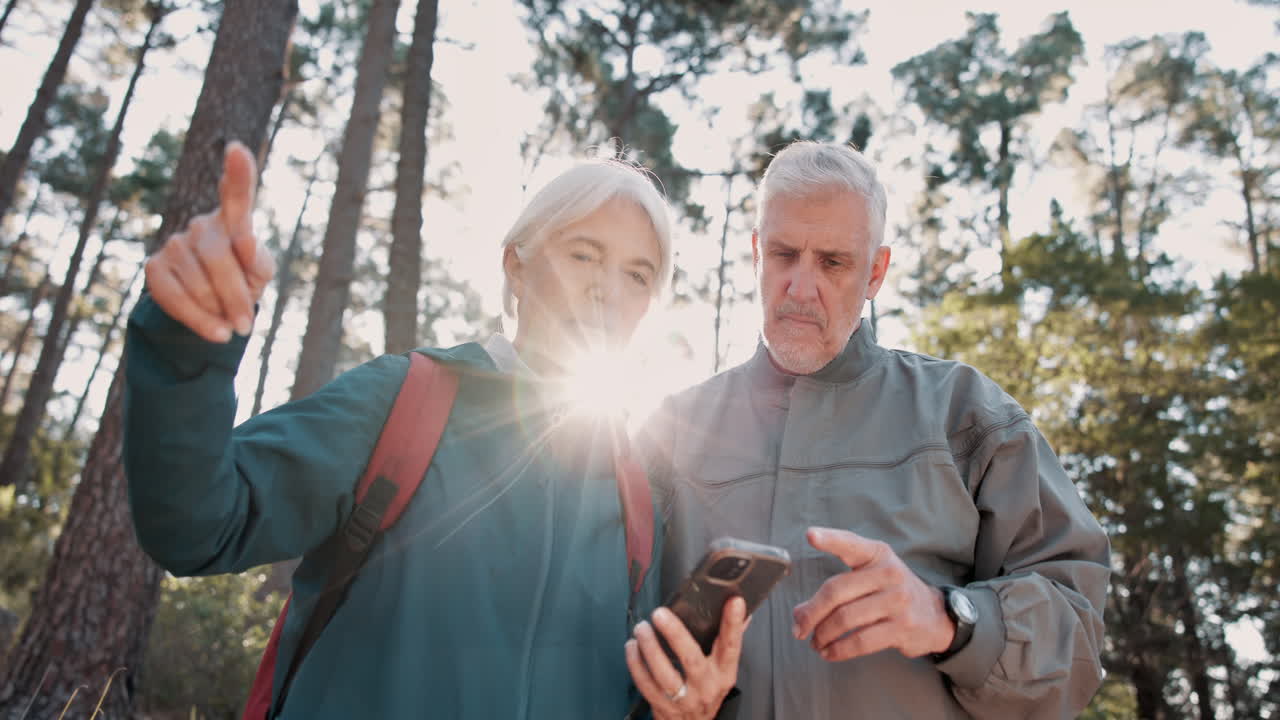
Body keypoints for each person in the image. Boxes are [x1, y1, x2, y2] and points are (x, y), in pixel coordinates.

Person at [124, 141, 744, 719]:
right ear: (517, 265)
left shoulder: (637, 500)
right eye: (584, 254)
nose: (607, 290)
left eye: (638, 275)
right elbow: (200, 525)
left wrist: (685, 709)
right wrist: (187, 348)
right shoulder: (407, 400)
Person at [635, 141, 1111, 719]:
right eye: (784, 254)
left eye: (833, 263)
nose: (801, 287)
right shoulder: (668, 438)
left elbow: (1077, 637)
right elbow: (600, 642)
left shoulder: (967, 415)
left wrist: (949, 619)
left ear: (876, 273)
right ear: (757, 253)